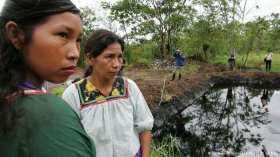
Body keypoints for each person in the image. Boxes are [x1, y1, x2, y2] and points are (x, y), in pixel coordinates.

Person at [0, 0, 96, 156]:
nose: (75, 53)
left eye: (78, 40)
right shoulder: (49, 112)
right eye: (63, 35)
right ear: (16, 34)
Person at [62, 29, 154, 157]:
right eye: (109, 56)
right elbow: (70, 140)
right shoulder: (74, 94)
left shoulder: (129, 87)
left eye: (119, 57)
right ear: (90, 59)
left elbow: (144, 126)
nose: (117, 64)